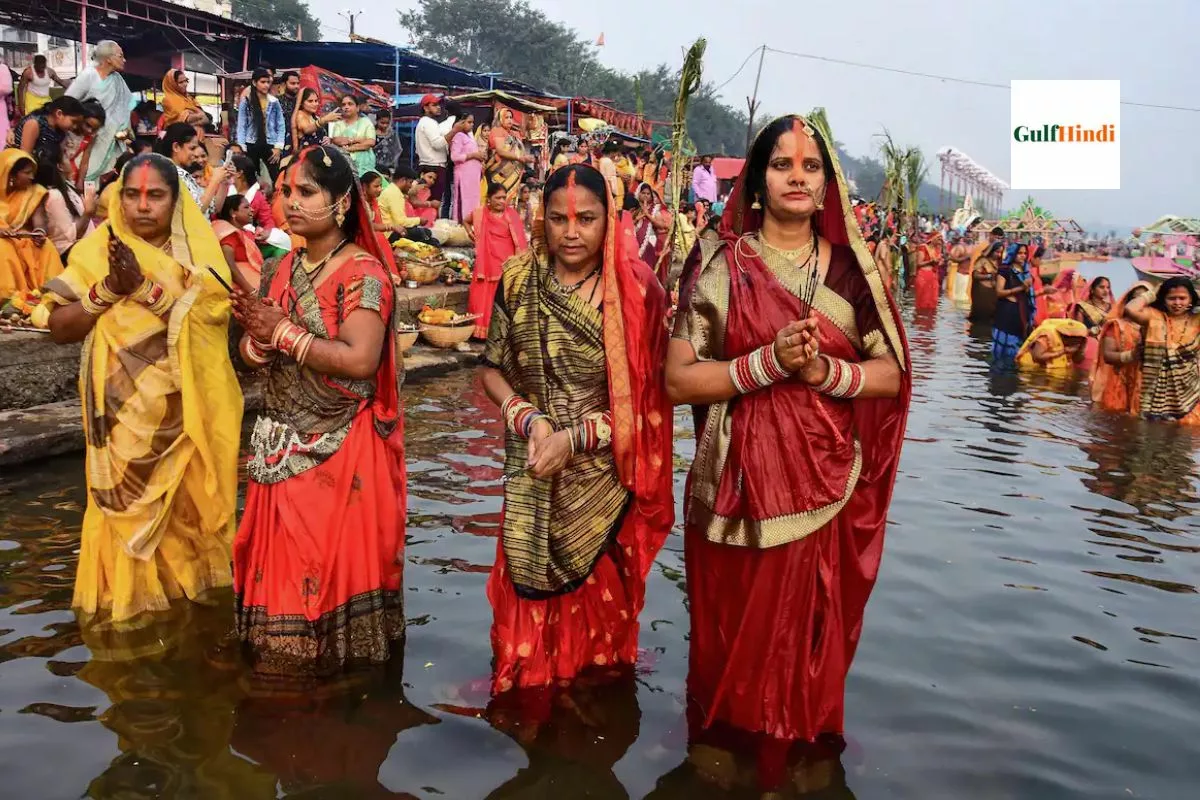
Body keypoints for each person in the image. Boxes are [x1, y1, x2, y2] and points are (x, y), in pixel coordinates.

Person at [665, 113, 909, 791]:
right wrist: (767, 363)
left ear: (828, 186)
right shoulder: (719, 262)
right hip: (734, 486)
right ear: (756, 178)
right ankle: (726, 737)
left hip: (824, 483)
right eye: (782, 164)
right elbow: (678, 378)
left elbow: (890, 373)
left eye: (810, 166)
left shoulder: (853, 273)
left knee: (806, 638)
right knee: (731, 629)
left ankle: (795, 748)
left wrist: (829, 375)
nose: (796, 176)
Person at [478, 163, 672, 702]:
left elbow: (649, 402)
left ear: (610, 219)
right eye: (558, 218)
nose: (570, 232)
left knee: (596, 646)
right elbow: (491, 368)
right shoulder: (518, 278)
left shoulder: (636, 292)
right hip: (532, 467)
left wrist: (575, 439)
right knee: (524, 631)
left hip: (602, 482)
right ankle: (528, 695)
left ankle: (585, 707)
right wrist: (531, 420)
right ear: (540, 218)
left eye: (586, 218)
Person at [40, 152, 242, 632]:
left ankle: (195, 610)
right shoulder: (96, 251)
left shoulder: (204, 257)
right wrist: (111, 287)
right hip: (122, 414)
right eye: (132, 194)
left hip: (189, 412)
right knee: (125, 513)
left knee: (190, 509)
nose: (142, 206)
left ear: (175, 202)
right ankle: (131, 611)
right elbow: (60, 327)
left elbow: (214, 321)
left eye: (155, 195)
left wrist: (146, 290)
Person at [230, 145, 406, 676]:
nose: (291, 202)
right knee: (279, 577)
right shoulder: (279, 267)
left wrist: (279, 332)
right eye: (285, 191)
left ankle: (333, 686)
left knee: (326, 577)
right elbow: (250, 354)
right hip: (280, 443)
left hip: (340, 448)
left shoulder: (363, 272)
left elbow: (360, 358)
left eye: (306, 192)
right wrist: (258, 342)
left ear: (341, 202)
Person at [1123, 276, 1200, 424]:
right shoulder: (1153, 316)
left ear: (1190, 299)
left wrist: (1195, 292)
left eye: (1182, 298)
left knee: (1183, 440)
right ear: (1163, 299)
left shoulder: (1196, 320)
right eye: (1172, 298)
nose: (1177, 303)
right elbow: (1130, 309)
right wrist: (1153, 293)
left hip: (1190, 394)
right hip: (1153, 395)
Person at [465, 181, 528, 339]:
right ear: (489, 199)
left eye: (504, 197)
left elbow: (520, 241)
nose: (502, 201)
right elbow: (465, 220)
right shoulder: (479, 213)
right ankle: (480, 331)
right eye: (498, 198)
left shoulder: (511, 215)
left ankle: (499, 334)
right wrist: (469, 233)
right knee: (481, 296)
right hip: (485, 264)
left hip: (505, 265)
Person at [0, 150, 64, 299]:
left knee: (46, 245)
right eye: (27, 172)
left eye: (32, 172)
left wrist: (40, 232)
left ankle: (53, 295)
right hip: (4, 242)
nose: (32, 177)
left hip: (24, 240)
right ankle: (9, 297)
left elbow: (39, 221)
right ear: (11, 175)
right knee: (3, 246)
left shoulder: (34, 192)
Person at [66, 41, 133, 182]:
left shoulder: (118, 79)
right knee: (82, 177)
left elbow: (127, 106)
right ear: (108, 58)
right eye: (121, 56)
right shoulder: (89, 75)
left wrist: (124, 130)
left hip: (112, 140)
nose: (124, 60)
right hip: (87, 137)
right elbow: (67, 103)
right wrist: (83, 126)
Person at [1091, 282, 1151, 414]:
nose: (1141, 304)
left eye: (1145, 299)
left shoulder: (1157, 328)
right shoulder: (1117, 326)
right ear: (1128, 303)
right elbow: (1108, 355)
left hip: (1145, 384)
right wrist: (1132, 355)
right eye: (1137, 299)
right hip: (1118, 381)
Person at [157, 122, 229, 218]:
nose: (195, 154)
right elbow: (197, 210)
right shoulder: (170, 175)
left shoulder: (184, 174)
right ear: (176, 147)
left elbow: (213, 208)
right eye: (192, 148)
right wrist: (214, 181)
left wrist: (223, 181)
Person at [34, 157, 97, 256]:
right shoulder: (54, 195)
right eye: (65, 156)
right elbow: (72, 236)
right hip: (72, 255)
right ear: (60, 166)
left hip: (85, 247)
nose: (70, 158)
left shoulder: (67, 185)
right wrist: (88, 212)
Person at [235, 68, 285, 181]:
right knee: (251, 177)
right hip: (251, 144)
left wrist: (278, 147)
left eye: (268, 82)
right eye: (262, 82)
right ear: (254, 82)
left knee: (274, 177)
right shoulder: (247, 102)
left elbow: (281, 125)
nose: (266, 85)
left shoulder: (274, 102)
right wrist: (242, 147)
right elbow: (242, 126)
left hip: (270, 143)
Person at [414, 94, 455, 215]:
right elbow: (438, 144)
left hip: (428, 164)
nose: (438, 107)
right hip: (433, 166)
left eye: (439, 105)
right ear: (425, 108)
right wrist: (454, 131)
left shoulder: (425, 122)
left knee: (426, 202)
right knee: (433, 204)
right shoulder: (428, 122)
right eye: (434, 105)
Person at [213, 194, 264, 289]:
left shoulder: (246, 233)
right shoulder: (228, 234)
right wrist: (250, 290)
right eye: (246, 207)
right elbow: (230, 265)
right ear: (233, 212)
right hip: (241, 292)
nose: (252, 210)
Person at [486, 108, 534, 207]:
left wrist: (525, 157)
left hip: (513, 174)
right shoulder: (497, 131)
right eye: (506, 117)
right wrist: (519, 158)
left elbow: (518, 151)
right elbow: (500, 151)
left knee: (511, 202)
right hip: (500, 173)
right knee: (499, 199)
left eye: (511, 117)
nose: (510, 120)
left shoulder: (512, 134)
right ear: (500, 119)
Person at [18, 95, 84, 164]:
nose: (75, 127)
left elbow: (59, 156)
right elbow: (25, 157)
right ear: (59, 114)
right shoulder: (34, 124)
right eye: (74, 122)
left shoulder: (60, 131)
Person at [1015, 318, 1089, 372]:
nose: (1078, 342)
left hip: (1054, 374)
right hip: (1032, 370)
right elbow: (1037, 356)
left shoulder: (1076, 343)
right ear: (1068, 336)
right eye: (1077, 339)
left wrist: (1081, 349)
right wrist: (1063, 351)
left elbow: (1077, 360)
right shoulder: (1047, 334)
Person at [63, 100, 107, 190]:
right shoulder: (66, 128)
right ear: (80, 118)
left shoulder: (90, 137)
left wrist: (80, 181)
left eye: (94, 129)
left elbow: (85, 161)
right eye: (87, 125)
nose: (89, 131)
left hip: (71, 173)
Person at [328, 94, 376, 177]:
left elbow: (370, 142)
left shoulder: (366, 122)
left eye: (350, 104)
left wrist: (348, 148)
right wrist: (358, 140)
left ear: (357, 108)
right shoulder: (338, 124)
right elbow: (336, 140)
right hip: (345, 164)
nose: (346, 107)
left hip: (365, 165)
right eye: (344, 105)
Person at [632, 182, 671, 278]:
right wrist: (637, 218)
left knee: (646, 270)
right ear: (639, 194)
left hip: (649, 244)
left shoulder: (655, 209)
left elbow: (662, 226)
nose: (645, 196)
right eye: (643, 193)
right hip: (633, 243)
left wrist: (647, 215)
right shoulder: (634, 208)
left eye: (648, 194)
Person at [449, 114, 484, 221]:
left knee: (473, 202)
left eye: (473, 122)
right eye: (469, 122)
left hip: (472, 177)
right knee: (463, 201)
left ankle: (472, 224)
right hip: (463, 176)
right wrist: (473, 155)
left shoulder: (470, 136)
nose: (472, 125)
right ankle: (462, 225)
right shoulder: (458, 136)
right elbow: (454, 157)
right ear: (461, 122)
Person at [290, 87, 337, 156]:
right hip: (306, 158)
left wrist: (328, 139)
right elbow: (307, 129)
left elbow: (321, 135)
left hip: (319, 155)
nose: (315, 104)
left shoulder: (315, 117)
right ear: (301, 103)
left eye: (316, 101)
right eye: (310, 101)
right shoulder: (299, 114)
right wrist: (324, 120)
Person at [968, 240, 1004, 323]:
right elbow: (975, 275)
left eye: (1000, 253)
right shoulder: (983, 261)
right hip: (982, 291)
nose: (998, 255)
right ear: (992, 251)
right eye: (997, 252)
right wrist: (990, 276)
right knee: (981, 314)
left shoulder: (1000, 262)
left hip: (994, 292)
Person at [912, 231, 941, 310]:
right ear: (932, 239)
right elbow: (919, 263)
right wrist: (931, 262)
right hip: (923, 276)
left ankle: (929, 320)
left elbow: (937, 262)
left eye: (941, 239)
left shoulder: (937, 249)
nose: (940, 240)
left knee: (932, 301)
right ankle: (920, 320)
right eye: (938, 238)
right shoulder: (923, 247)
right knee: (922, 301)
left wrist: (939, 262)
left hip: (933, 277)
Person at [372, 108, 402, 176]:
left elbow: (396, 150)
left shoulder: (392, 134)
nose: (385, 125)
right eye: (382, 123)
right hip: (374, 166)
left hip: (390, 168)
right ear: (377, 121)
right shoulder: (371, 133)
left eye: (387, 123)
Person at [277, 71, 301, 154]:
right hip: (280, 145)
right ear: (284, 84)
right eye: (293, 83)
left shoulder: (301, 102)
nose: (296, 86)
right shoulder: (276, 102)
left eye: (298, 83)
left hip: (298, 144)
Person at [945, 233, 972, 303]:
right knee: (959, 297)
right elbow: (953, 259)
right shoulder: (960, 247)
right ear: (964, 238)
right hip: (961, 274)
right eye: (968, 237)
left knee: (966, 297)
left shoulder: (973, 247)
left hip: (970, 275)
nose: (969, 238)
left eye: (970, 237)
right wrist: (966, 257)